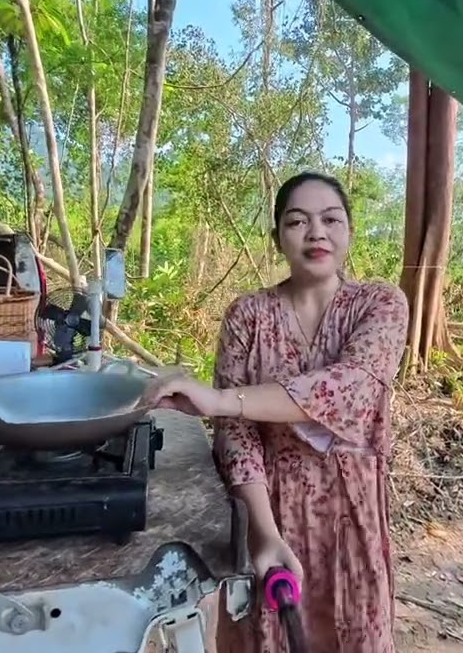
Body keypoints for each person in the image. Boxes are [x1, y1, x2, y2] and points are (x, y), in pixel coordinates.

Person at [144, 171, 410, 652]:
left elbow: (351, 388)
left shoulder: (380, 304)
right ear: (277, 237)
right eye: (297, 221)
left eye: (331, 219)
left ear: (349, 231)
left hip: (353, 513)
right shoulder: (248, 315)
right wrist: (264, 534)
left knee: (356, 633)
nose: (316, 233)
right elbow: (236, 436)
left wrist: (221, 400)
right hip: (270, 505)